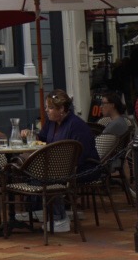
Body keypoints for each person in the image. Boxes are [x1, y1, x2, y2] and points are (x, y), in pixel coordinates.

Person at [36, 90, 101, 232]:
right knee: (33, 173)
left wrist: (58, 165)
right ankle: (41, 210)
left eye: (50, 107)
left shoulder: (77, 125)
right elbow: (41, 139)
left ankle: (60, 219)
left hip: (85, 168)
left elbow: (82, 154)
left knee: (50, 175)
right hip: (59, 165)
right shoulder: (51, 123)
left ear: (62, 109)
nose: (46, 110)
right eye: (46, 107)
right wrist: (30, 136)